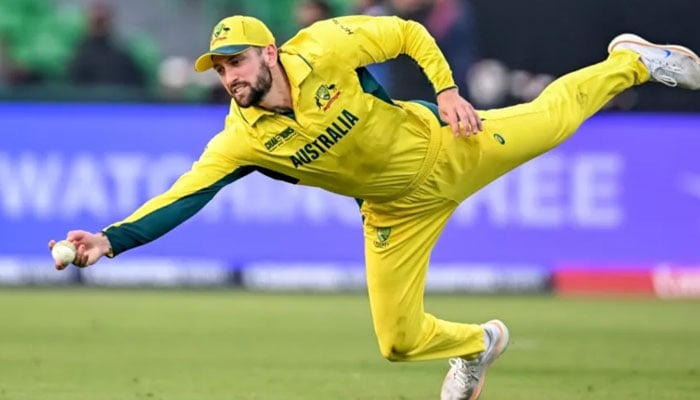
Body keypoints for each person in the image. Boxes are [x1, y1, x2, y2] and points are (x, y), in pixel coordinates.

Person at [48, 14, 700, 400]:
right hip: (395, 213)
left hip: (449, 147)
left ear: (268, 51)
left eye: (237, 62)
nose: (230, 77)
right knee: (398, 342)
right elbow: (185, 195)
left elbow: (410, 33)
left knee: (553, 119)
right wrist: (111, 240)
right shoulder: (242, 137)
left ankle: (630, 61)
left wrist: (447, 91)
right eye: (219, 70)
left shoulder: (324, 47)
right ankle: (479, 345)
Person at [67, 1, 146, 86]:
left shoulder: (123, 59)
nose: (100, 25)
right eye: (97, 21)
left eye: (102, 20)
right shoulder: (78, 57)